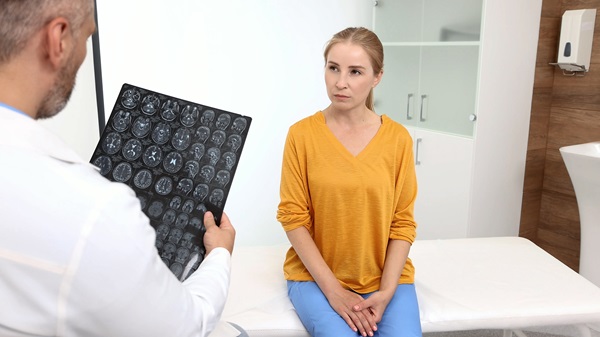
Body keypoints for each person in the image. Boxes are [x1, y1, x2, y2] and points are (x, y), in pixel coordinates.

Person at [0, 1, 236, 336]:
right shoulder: (93, 212)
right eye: (87, 36)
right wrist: (219, 256)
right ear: (59, 39)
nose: (83, 53)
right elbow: (183, 327)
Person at [276, 27, 422, 337]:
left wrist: (386, 291)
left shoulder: (397, 140)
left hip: (386, 279)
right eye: (333, 68)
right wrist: (333, 291)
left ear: (377, 77)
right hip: (315, 279)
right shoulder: (301, 135)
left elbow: (402, 223)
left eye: (355, 72)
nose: (340, 82)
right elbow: (293, 217)